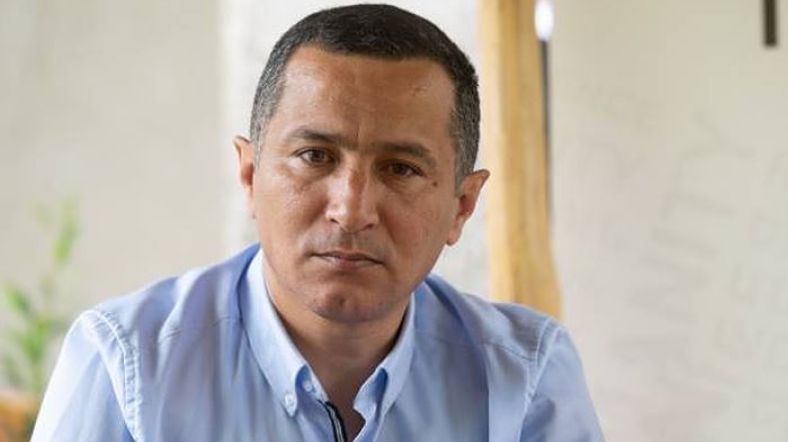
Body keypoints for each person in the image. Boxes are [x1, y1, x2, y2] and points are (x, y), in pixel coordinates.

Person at [31, 4, 602, 441]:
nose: (351, 210)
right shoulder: (127, 364)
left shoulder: (524, 377)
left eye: (400, 168)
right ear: (250, 175)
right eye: (315, 156)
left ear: (462, 206)